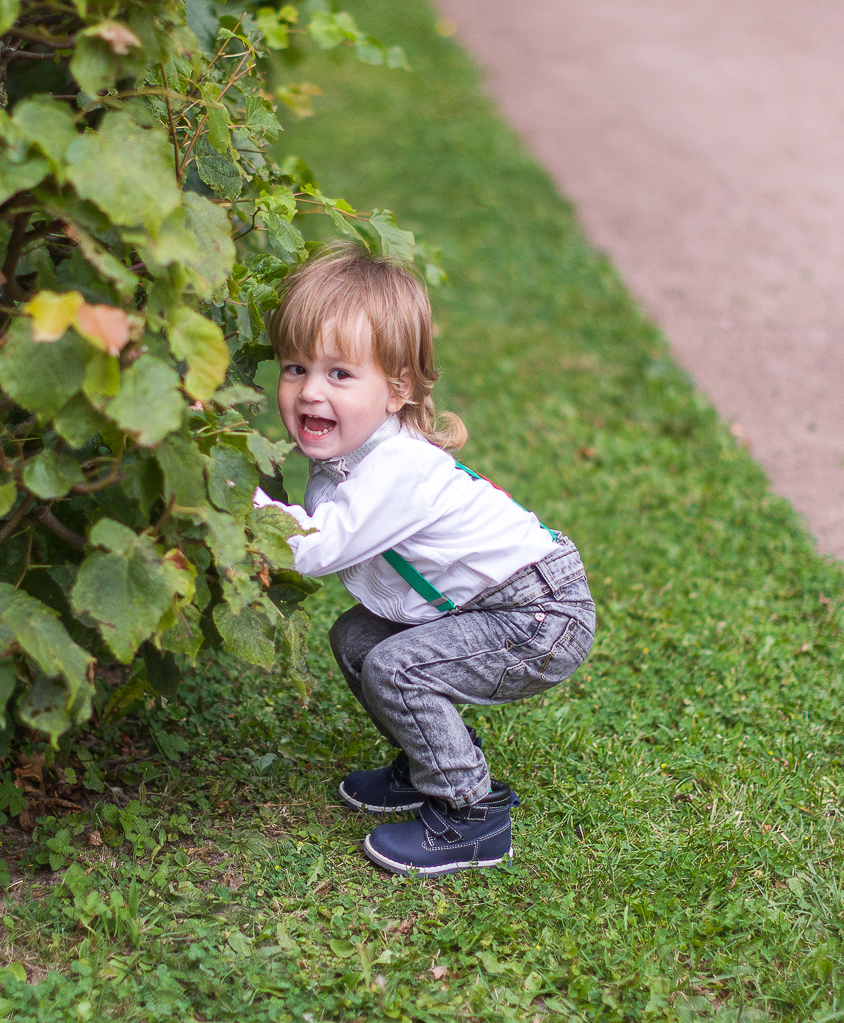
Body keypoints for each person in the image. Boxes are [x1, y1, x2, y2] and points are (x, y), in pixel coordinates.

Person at [254, 242, 596, 876]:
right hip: (503, 601)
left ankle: (472, 817)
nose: (309, 391)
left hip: (541, 612)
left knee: (396, 667)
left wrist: (227, 490)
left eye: (340, 374)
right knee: (357, 637)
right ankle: (425, 767)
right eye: (295, 368)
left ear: (398, 390)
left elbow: (313, 549)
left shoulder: (398, 468)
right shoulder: (349, 454)